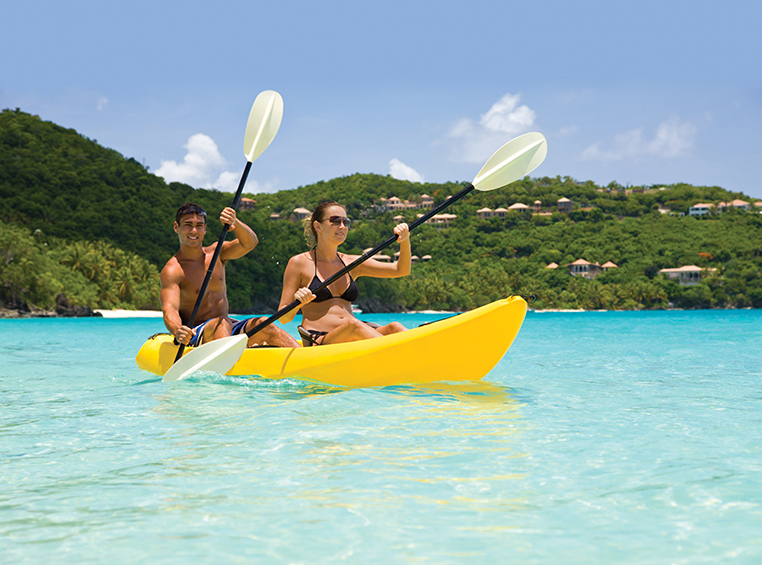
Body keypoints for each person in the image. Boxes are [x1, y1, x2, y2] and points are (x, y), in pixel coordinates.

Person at [161, 202, 299, 348]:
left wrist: (235, 222)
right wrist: (177, 330)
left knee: (263, 323)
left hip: (226, 326)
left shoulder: (217, 253)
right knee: (221, 323)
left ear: (205, 228)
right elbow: (169, 309)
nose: (194, 230)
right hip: (196, 333)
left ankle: (303, 358)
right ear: (176, 227)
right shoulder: (173, 269)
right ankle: (228, 363)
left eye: (199, 225)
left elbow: (250, 243)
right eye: (188, 225)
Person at [278, 201, 411, 346]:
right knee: (355, 326)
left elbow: (401, 270)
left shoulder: (352, 263)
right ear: (317, 226)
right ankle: (400, 353)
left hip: (355, 330)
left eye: (345, 221)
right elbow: (283, 318)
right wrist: (297, 304)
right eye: (335, 221)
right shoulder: (299, 263)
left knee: (395, 327)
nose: (342, 226)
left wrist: (404, 240)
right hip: (321, 338)